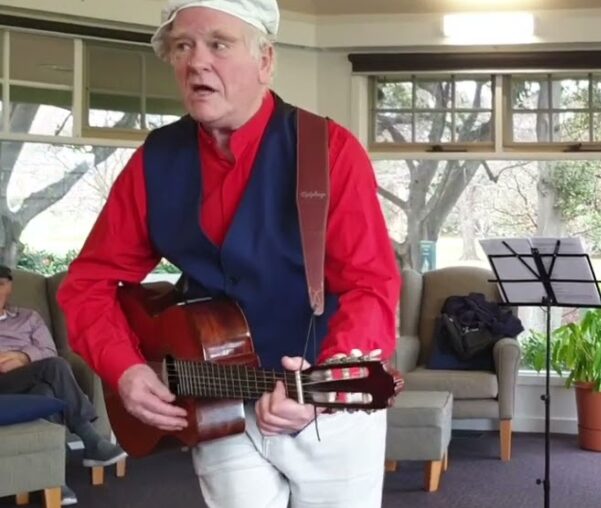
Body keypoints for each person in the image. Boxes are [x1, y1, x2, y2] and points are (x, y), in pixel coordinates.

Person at [55, 0, 401, 506]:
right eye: (182, 46)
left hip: (324, 408)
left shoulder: (328, 150)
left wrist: (327, 389)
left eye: (218, 44)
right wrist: (124, 369)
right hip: (214, 407)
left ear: (265, 61)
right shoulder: (154, 160)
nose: (197, 61)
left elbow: (371, 285)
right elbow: (88, 283)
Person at [0, 265, 127, 506]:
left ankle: (54, 478)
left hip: (31, 378)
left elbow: (48, 350)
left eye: (1, 284)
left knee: (47, 389)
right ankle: (91, 441)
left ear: (9, 287)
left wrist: (23, 358)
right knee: (53, 368)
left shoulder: (29, 317)